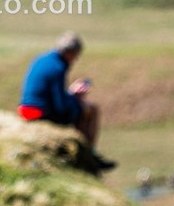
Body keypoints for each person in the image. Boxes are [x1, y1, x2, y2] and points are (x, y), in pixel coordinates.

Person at [17, 31, 116, 171]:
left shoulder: (42, 59)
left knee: (79, 108)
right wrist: (75, 99)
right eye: (76, 55)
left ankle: (86, 153)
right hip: (40, 113)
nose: (75, 60)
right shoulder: (58, 67)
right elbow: (61, 106)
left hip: (26, 109)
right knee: (91, 110)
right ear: (70, 52)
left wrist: (70, 94)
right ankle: (88, 155)